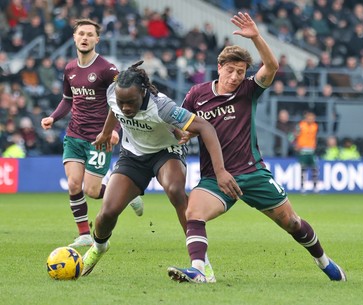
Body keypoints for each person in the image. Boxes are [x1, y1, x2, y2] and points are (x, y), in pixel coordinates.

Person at [167, 12, 346, 283]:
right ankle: (200, 271)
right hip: (217, 177)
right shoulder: (197, 95)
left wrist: (256, 37)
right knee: (193, 212)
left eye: (240, 72)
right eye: (231, 70)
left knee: (292, 223)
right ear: (219, 67)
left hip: (253, 173)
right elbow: (185, 125)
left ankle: (324, 261)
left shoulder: (248, 90)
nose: (236, 76)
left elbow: (271, 66)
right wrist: (185, 135)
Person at [80, 61, 240, 280]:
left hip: (166, 152)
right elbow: (114, 108)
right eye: (122, 102)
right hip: (133, 155)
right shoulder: (113, 92)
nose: (125, 107)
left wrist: (220, 171)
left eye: (131, 102)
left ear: (143, 93)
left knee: (175, 190)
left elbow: (205, 127)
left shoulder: (162, 106)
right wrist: (107, 132)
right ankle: (99, 248)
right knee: (106, 213)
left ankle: (201, 263)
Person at [41, 19, 143, 248]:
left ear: (97, 39)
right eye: (81, 34)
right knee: (74, 185)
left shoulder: (108, 70)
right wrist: (53, 117)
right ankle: (84, 233)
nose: (85, 38)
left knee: (92, 190)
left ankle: (127, 196)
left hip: (99, 138)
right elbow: (68, 99)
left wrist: (114, 131)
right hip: (74, 134)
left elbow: (120, 102)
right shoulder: (69, 68)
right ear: (74, 37)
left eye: (89, 34)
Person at [294, 111, 319, 193]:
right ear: (306, 118)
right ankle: (302, 187)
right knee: (303, 169)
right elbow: (293, 135)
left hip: (311, 150)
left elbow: (314, 137)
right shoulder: (300, 126)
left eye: (313, 118)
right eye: (310, 117)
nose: (311, 119)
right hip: (303, 150)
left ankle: (315, 187)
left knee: (314, 168)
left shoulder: (315, 126)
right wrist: (295, 145)